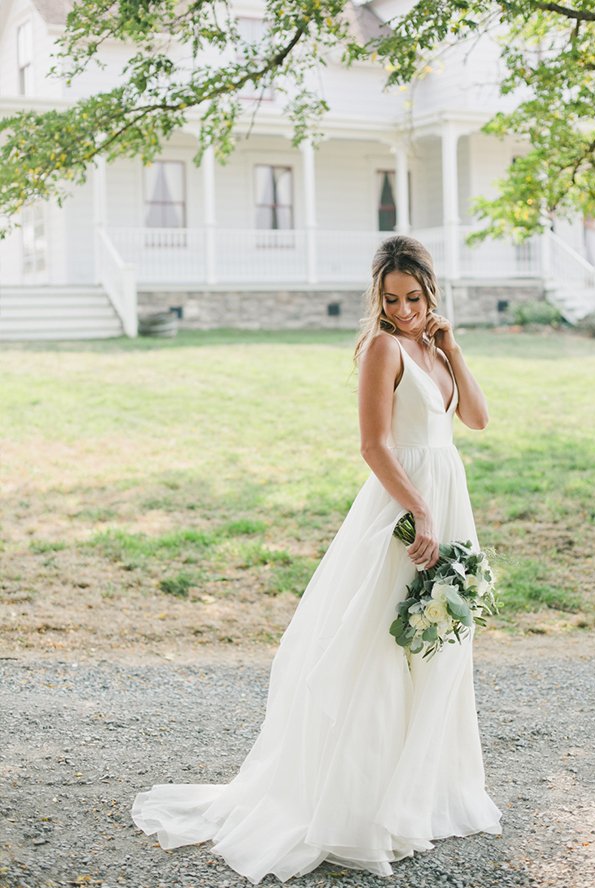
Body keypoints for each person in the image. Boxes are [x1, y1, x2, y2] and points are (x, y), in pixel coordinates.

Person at [131, 235, 503, 883]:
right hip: (406, 506)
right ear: (377, 298)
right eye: (391, 299)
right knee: (385, 648)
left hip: (451, 498)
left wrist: (453, 348)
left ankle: (417, 792)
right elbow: (373, 444)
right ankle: (359, 804)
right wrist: (421, 511)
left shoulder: (432, 346)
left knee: (439, 647)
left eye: (414, 297)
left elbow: (475, 418)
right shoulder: (382, 349)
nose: (404, 310)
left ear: (431, 293)